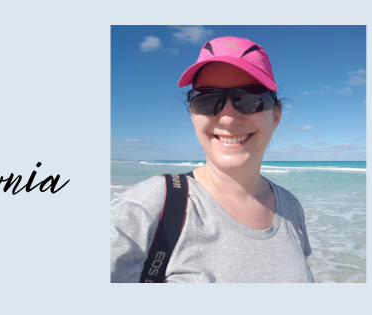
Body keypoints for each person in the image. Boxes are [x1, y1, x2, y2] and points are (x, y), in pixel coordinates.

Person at [110, 36, 314, 283]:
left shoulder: (291, 207)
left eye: (249, 98)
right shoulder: (144, 210)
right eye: (207, 99)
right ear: (193, 115)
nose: (228, 118)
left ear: (276, 116)